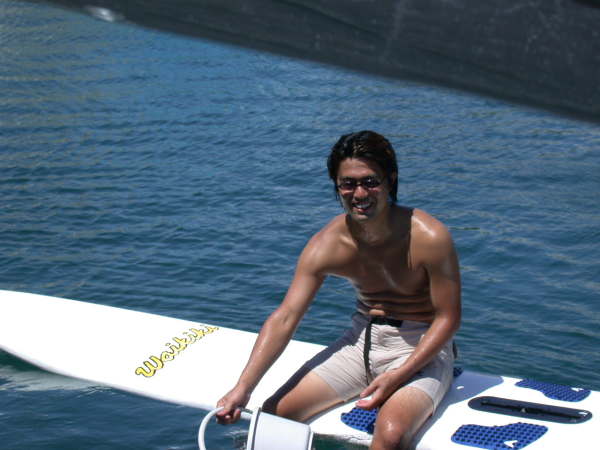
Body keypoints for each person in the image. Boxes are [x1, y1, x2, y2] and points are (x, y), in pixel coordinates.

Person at [216, 130, 461, 449]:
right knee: (273, 418)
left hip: (420, 348)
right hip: (360, 343)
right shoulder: (327, 243)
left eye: (370, 182)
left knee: (389, 434)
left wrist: (400, 374)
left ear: (390, 180)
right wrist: (243, 388)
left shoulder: (429, 236)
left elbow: (448, 318)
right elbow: (286, 316)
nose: (360, 193)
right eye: (348, 183)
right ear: (336, 185)